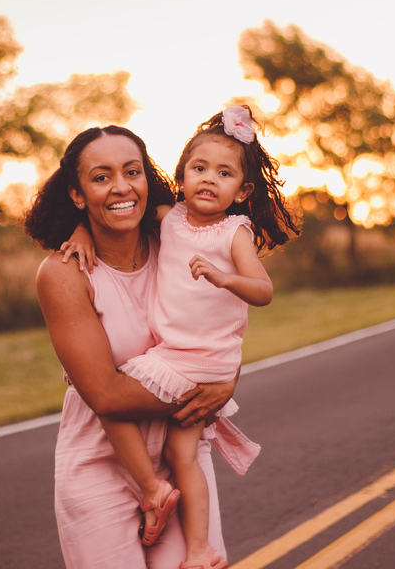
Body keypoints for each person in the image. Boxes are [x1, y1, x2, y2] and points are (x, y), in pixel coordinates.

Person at [62, 106, 299, 569]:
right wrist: (78, 231)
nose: (209, 180)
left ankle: (154, 494)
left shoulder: (234, 233)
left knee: (111, 390)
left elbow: (263, 290)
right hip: (186, 360)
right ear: (181, 176)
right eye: (199, 168)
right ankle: (196, 547)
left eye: (224, 173)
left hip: (197, 360)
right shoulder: (169, 220)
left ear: (243, 189)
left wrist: (224, 279)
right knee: (179, 451)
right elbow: (113, 208)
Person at [23, 125, 239, 569]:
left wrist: (228, 377)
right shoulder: (64, 274)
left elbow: (218, 331)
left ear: (148, 181)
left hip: (181, 457)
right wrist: (212, 390)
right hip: (100, 466)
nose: (121, 187)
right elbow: (105, 394)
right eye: (101, 178)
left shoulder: (176, 246)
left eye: (132, 172)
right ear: (78, 194)